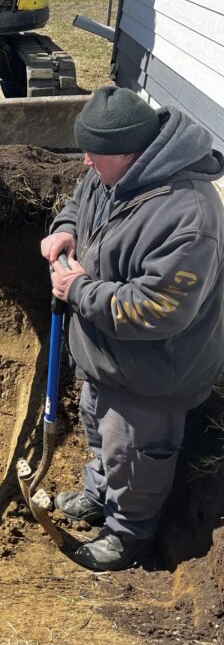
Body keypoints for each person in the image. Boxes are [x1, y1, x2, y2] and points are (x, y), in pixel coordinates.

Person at [40, 85, 224, 572]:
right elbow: (81, 201)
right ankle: (98, 494)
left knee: (136, 459)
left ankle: (127, 534)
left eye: (94, 154)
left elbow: (158, 309)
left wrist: (78, 290)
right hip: (107, 356)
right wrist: (65, 229)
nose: (85, 162)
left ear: (131, 153)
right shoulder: (113, 172)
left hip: (153, 373)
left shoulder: (189, 216)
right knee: (100, 435)